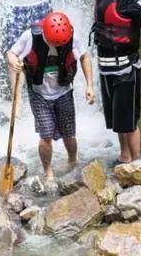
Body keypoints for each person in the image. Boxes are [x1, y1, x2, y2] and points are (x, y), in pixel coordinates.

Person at [51, 0, 141, 163]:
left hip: (126, 67)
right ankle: (124, 157)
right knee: (118, 118)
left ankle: (137, 164)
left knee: (129, 121)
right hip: (107, 66)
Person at [7, 10, 95, 181]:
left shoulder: (70, 37)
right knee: (46, 135)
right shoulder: (30, 37)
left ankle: (72, 160)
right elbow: (11, 53)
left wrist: (89, 85)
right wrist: (14, 61)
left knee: (69, 134)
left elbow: (84, 57)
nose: (56, 46)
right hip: (39, 93)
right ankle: (48, 171)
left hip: (64, 91)